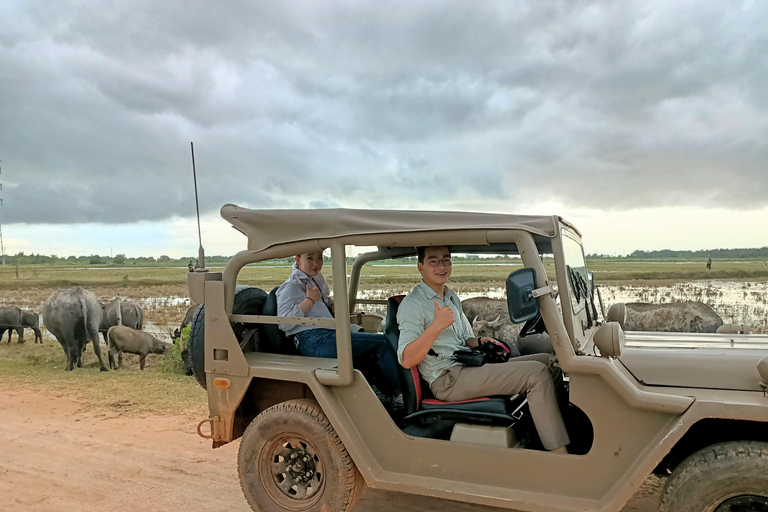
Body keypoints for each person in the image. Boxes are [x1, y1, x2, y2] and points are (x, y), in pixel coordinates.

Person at [397, 246, 570, 453]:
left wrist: (481, 341)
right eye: (433, 261)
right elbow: (407, 359)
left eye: (446, 260)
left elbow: (465, 338)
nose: (441, 266)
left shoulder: (450, 297)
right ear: (420, 267)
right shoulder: (412, 305)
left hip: (467, 364)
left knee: (548, 362)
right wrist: (436, 326)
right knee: (537, 374)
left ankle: (551, 429)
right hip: (447, 379)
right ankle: (559, 454)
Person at [277, 251, 402, 408]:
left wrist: (338, 309)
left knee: (371, 346)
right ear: (297, 259)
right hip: (312, 339)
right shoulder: (291, 286)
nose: (316, 263)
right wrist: (308, 301)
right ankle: (399, 395)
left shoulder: (313, 280)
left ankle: (380, 394)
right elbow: (283, 323)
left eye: (319, 258)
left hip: (325, 334)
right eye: (310, 258)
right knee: (382, 343)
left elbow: (325, 304)